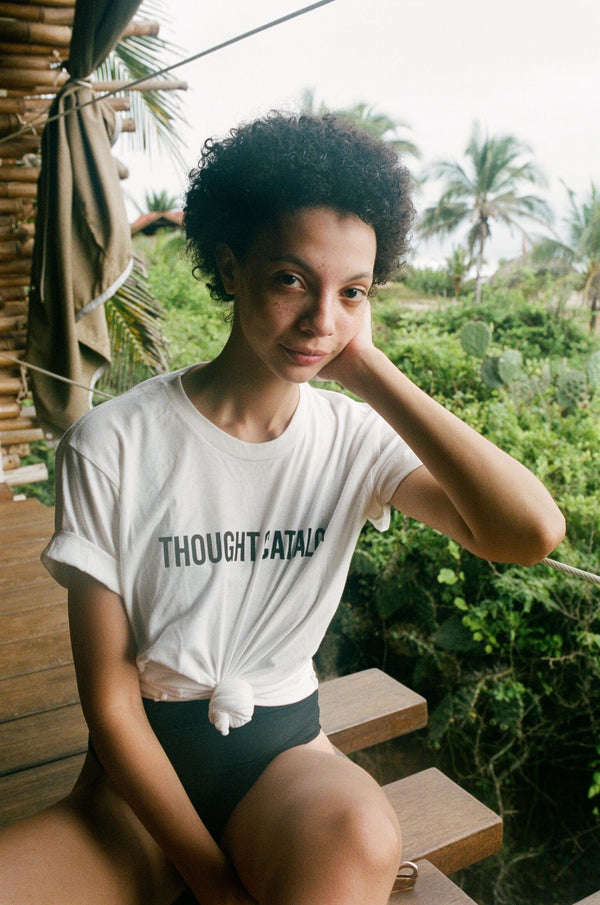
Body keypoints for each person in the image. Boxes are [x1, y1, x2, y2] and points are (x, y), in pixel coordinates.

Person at [0, 112, 565, 905]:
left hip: (285, 768)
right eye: (292, 279)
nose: (321, 321)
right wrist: (213, 881)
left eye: (352, 292)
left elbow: (529, 534)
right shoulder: (114, 443)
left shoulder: (352, 437)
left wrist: (367, 369)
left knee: (364, 836)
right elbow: (111, 703)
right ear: (232, 267)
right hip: (133, 791)